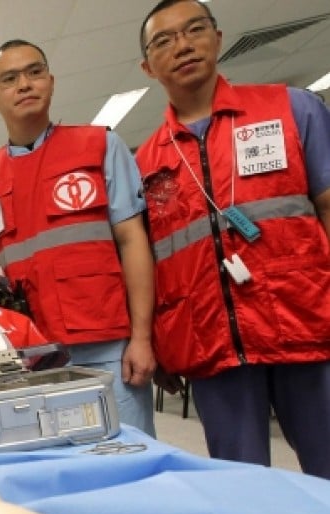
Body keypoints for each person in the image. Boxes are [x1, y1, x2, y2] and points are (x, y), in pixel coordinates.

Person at [136, 0, 330, 477]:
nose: (182, 46)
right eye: (164, 41)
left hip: (305, 321)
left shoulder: (291, 108)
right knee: (244, 487)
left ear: (218, 39)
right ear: (148, 66)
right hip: (211, 344)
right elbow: (151, 259)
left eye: (194, 30)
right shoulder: (144, 161)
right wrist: (160, 341)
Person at [0, 40, 158, 437]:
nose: (24, 84)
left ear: (51, 82)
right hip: (26, 361)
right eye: (9, 79)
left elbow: (133, 242)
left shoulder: (98, 146)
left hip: (107, 348)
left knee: (131, 459)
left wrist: (142, 337)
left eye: (34, 72)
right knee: (56, 472)